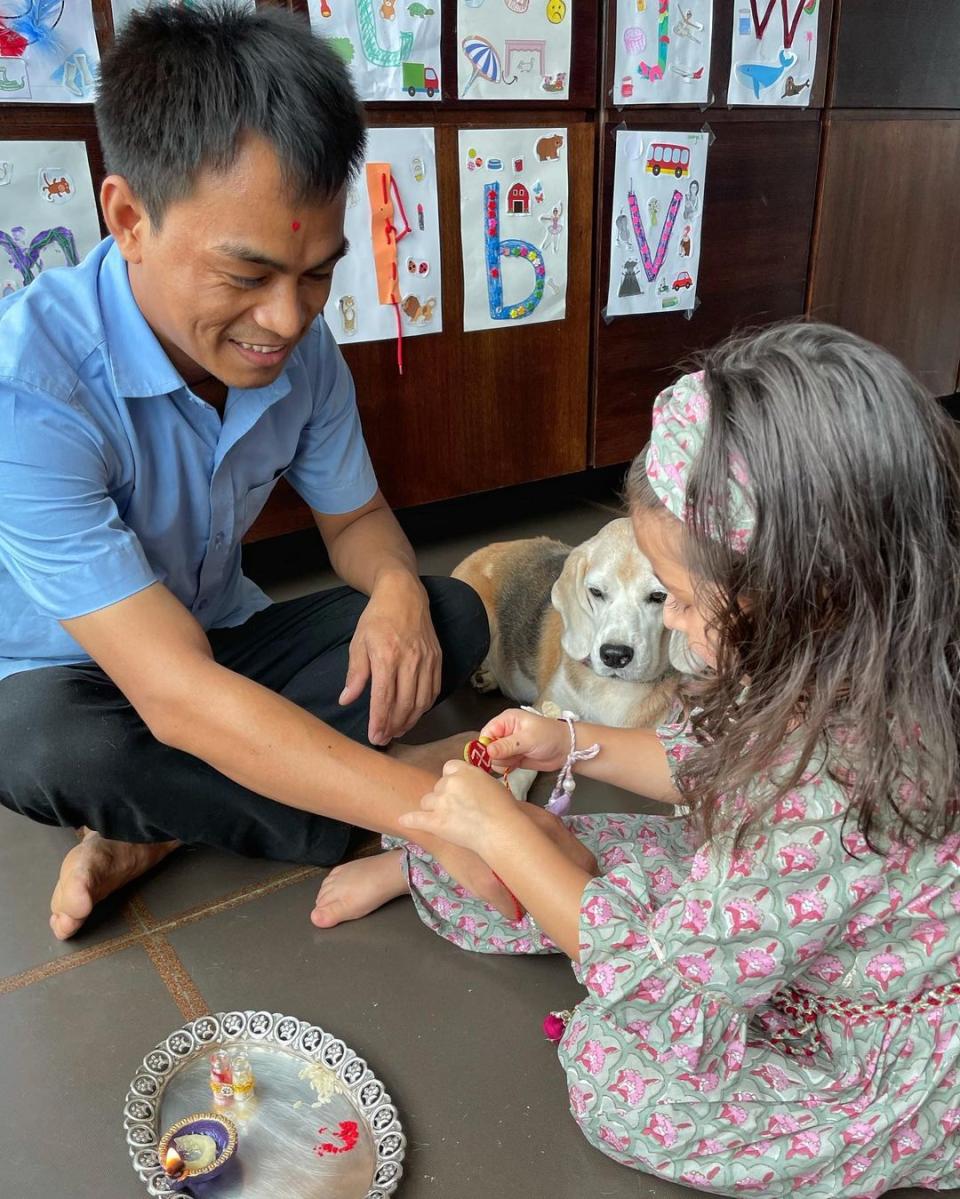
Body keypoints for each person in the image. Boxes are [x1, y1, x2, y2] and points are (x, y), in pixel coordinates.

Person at [325, 323, 960, 1195]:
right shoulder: (834, 657)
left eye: (685, 598)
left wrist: (507, 833)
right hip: (786, 918)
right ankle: (448, 865)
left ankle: (495, 864)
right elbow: (697, 760)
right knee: (565, 852)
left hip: (865, 1030)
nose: (668, 623)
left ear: (800, 590)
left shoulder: (841, 778)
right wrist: (568, 742)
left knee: (620, 1082)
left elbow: (673, 991)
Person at [0, 3, 510, 941]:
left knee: (448, 614)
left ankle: (160, 824)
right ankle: (293, 803)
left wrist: (394, 587)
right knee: (41, 742)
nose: (287, 319)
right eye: (248, 275)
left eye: (317, 273)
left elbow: (355, 524)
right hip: (89, 681)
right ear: (129, 217)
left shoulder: (299, 355)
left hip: (215, 645)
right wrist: (432, 814)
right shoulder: (27, 389)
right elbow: (169, 689)